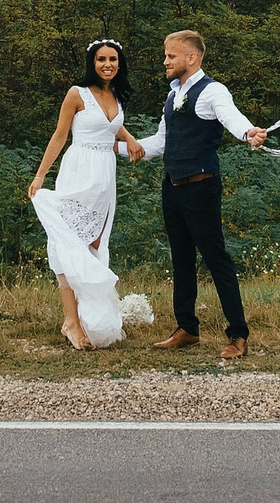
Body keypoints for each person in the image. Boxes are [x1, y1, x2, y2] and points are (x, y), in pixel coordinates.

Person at [123, 30, 267, 360]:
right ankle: (187, 328)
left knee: (216, 259)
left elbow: (231, 116)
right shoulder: (173, 97)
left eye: (170, 56)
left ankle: (238, 334)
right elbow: (160, 143)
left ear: (191, 58)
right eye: (165, 55)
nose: (165, 61)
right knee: (182, 261)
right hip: (172, 188)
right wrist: (112, 147)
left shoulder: (212, 91)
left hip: (201, 188)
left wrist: (248, 133)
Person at [26, 39, 152, 349]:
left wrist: (131, 138)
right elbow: (59, 136)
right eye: (100, 59)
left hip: (105, 177)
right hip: (79, 169)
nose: (107, 64)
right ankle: (71, 321)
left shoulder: (116, 94)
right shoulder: (77, 94)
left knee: (94, 244)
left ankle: (82, 317)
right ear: (91, 63)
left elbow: (112, 126)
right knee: (71, 242)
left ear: (119, 63)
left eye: (112, 59)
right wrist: (41, 174)